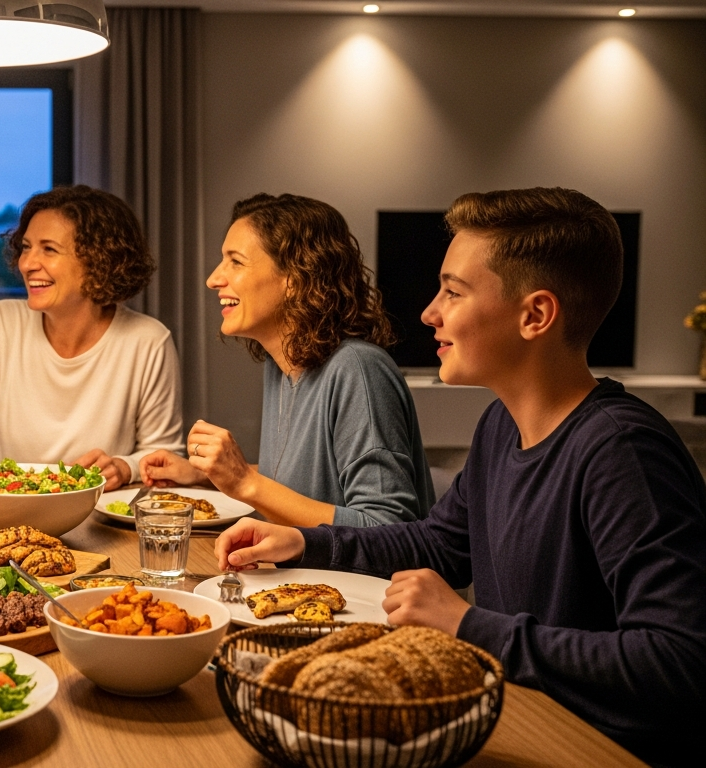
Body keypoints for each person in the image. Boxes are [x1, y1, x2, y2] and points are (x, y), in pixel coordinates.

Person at [214, 188, 706, 767]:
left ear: (536, 316)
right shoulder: (502, 423)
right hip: (518, 724)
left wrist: (469, 624)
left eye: (453, 291)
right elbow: (439, 543)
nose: (429, 312)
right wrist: (306, 542)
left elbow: (680, 660)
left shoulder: (622, 451)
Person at [141, 194, 434, 526]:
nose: (213, 279)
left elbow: (388, 528)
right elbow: (300, 488)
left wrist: (246, 483)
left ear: (295, 278)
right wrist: (203, 474)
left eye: (235, 261)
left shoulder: (358, 370)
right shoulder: (281, 367)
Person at [0, 185, 183, 491]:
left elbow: (165, 454)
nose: (27, 264)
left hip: (99, 523)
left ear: (99, 261)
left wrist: (124, 467)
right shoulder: (3, 321)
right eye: (26, 247)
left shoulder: (148, 341)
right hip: (3, 518)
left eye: (49, 249)